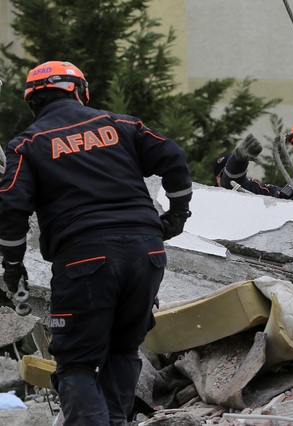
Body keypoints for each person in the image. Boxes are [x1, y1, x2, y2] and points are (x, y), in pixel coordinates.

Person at [0, 61, 192, 425]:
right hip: (147, 252)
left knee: (76, 362)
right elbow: (174, 158)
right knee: (123, 348)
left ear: (33, 102)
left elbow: (10, 207)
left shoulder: (27, 144)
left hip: (84, 259)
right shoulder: (120, 124)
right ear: (79, 91)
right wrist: (177, 215)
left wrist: (13, 267)